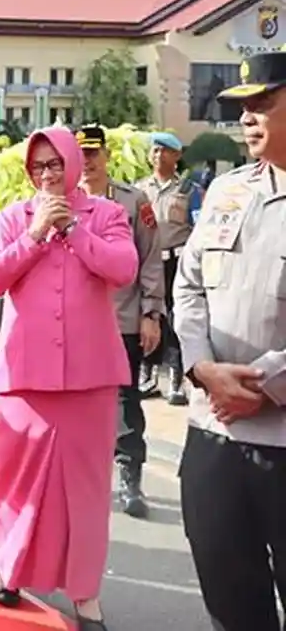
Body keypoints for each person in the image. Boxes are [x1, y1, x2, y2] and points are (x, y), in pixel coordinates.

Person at [0, 126, 137, 629]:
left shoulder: (107, 214)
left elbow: (123, 268)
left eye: (56, 164)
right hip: (25, 375)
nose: (48, 175)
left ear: (74, 164)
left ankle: (85, 592)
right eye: (38, 167)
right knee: (17, 481)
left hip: (89, 378)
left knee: (86, 489)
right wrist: (33, 238)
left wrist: (74, 229)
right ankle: (10, 570)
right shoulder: (13, 217)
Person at [175, 48, 286, 631]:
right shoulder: (226, 192)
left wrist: (266, 385)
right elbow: (188, 287)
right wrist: (201, 367)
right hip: (214, 435)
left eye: (262, 103)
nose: (246, 118)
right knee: (230, 600)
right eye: (240, 107)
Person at [76, 125, 164, 519]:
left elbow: (150, 258)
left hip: (122, 318)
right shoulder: (59, 201)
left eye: (93, 152)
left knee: (126, 403)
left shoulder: (133, 200)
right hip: (73, 324)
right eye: (80, 153)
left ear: (106, 154)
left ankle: (130, 477)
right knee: (74, 400)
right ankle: (82, 479)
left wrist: (151, 313)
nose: (87, 161)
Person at [136, 131, 201, 405]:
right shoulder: (139, 190)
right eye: (154, 150)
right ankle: (147, 373)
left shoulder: (188, 191)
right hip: (149, 261)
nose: (158, 155)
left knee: (177, 319)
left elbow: (199, 228)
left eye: (165, 150)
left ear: (177, 156)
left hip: (178, 262)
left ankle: (175, 378)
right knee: (151, 315)